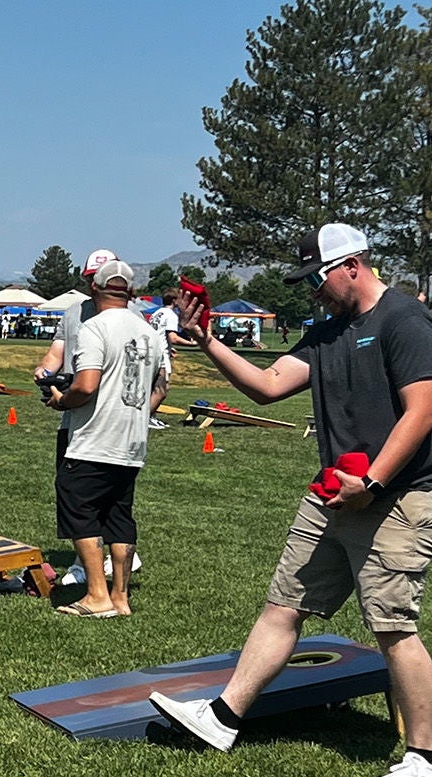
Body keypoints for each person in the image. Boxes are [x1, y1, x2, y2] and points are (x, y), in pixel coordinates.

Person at [148, 224, 432, 777]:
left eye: (318, 279)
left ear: (352, 265)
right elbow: (267, 385)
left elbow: (422, 410)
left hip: (396, 498)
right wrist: (206, 338)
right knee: (285, 605)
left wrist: (371, 482)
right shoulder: (327, 334)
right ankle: (222, 718)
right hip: (334, 493)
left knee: (392, 626)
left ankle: (423, 754)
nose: (313, 291)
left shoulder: (404, 320)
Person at [45, 259, 165, 617]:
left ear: (93, 288)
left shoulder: (93, 327)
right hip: (132, 441)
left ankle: (97, 596)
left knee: (81, 511)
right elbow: (161, 385)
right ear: (129, 292)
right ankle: (121, 598)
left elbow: (86, 385)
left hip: (94, 437)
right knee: (119, 515)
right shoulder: (148, 330)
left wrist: (61, 399)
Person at [35, 249, 146, 584]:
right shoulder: (75, 312)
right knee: (98, 499)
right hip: (76, 418)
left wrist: (64, 400)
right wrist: (46, 370)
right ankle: (107, 574)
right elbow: (59, 349)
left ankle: (93, 576)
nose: (92, 285)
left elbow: (92, 385)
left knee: (83, 498)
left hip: (101, 418)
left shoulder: (133, 318)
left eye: (95, 279)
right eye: (88, 278)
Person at [147, 289, 191, 429]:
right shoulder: (171, 315)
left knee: (153, 388)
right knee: (162, 389)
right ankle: (145, 419)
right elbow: (173, 337)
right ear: (174, 300)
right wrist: (192, 343)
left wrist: (169, 347)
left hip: (152, 352)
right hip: (160, 355)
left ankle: (152, 416)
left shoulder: (156, 313)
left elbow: (158, 334)